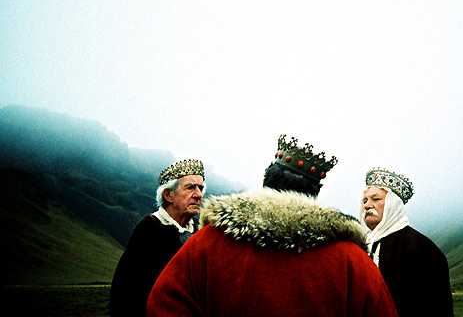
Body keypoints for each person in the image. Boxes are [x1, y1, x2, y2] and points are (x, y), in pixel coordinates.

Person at [145, 135, 399, 317]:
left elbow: (163, 305)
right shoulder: (351, 260)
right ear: (315, 194)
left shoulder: (207, 243)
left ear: (266, 182)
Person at [110, 159, 206, 317]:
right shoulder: (149, 229)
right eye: (190, 187)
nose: (198, 195)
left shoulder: (200, 230)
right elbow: (125, 290)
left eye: (200, 188)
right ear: (168, 195)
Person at [360, 167, 454, 316]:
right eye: (365, 200)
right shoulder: (360, 246)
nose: (366, 205)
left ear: (393, 205)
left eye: (376, 199)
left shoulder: (419, 247)